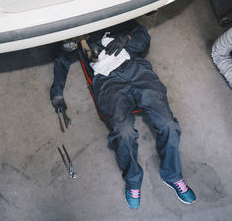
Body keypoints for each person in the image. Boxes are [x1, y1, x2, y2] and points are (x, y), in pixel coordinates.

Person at [50, 20, 196, 209]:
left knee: (168, 124)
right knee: (123, 132)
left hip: (136, 68)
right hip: (107, 80)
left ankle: (173, 175)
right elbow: (61, 58)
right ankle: (133, 182)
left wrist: (126, 38)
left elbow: (143, 38)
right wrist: (57, 93)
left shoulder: (115, 15)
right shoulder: (75, 32)